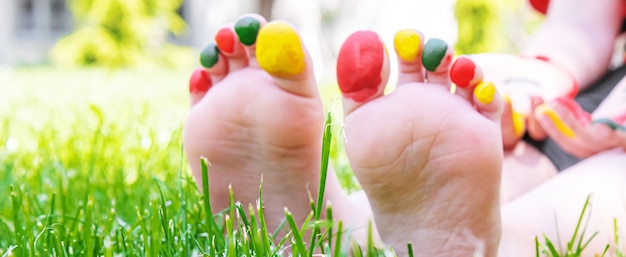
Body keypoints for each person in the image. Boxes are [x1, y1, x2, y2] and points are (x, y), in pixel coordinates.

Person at [183, 0, 626, 255]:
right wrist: (533, 84)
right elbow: (578, 25)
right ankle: (341, 226)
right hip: (595, 98)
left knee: (608, 179)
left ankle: (492, 241)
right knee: (507, 156)